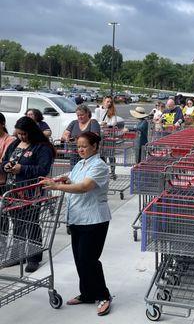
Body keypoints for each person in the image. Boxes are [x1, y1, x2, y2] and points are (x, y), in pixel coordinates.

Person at [41, 132, 112, 316]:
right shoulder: (80, 164)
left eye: (84, 146)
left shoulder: (100, 166)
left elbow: (84, 187)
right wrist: (66, 181)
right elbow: (75, 183)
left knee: (89, 259)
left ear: (95, 146)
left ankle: (103, 295)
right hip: (78, 218)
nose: (80, 149)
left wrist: (57, 187)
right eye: (78, 146)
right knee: (80, 259)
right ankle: (87, 294)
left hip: (95, 219)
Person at [1, 116, 55, 273]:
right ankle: (18, 255)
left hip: (31, 192)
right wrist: (6, 167)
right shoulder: (16, 143)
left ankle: (34, 257)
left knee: (31, 222)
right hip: (12, 190)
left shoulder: (42, 147)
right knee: (16, 223)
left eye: (24, 134)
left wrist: (22, 169)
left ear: (31, 131)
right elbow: (4, 160)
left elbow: (43, 169)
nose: (21, 137)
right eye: (19, 133)